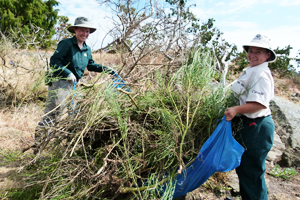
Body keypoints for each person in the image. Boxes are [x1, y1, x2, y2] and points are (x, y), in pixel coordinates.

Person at [36, 17, 121, 138]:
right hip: (60, 82)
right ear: (75, 30)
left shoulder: (87, 48)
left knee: (74, 114)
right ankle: (39, 143)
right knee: (55, 113)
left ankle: (66, 143)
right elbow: (54, 62)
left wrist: (107, 69)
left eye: (87, 31)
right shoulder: (66, 44)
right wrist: (67, 73)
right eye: (82, 30)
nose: (85, 34)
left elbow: (91, 65)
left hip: (76, 84)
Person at [224, 34, 277, 200]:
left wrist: (236, 110)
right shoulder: (251, 70)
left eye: (258, 52)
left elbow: (260, 104)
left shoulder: (260, 74)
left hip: (257, 126)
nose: (252, 55)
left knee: (252, 171)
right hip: (248, 124)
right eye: (251, 51)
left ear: (267, 55)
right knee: (245, 168)